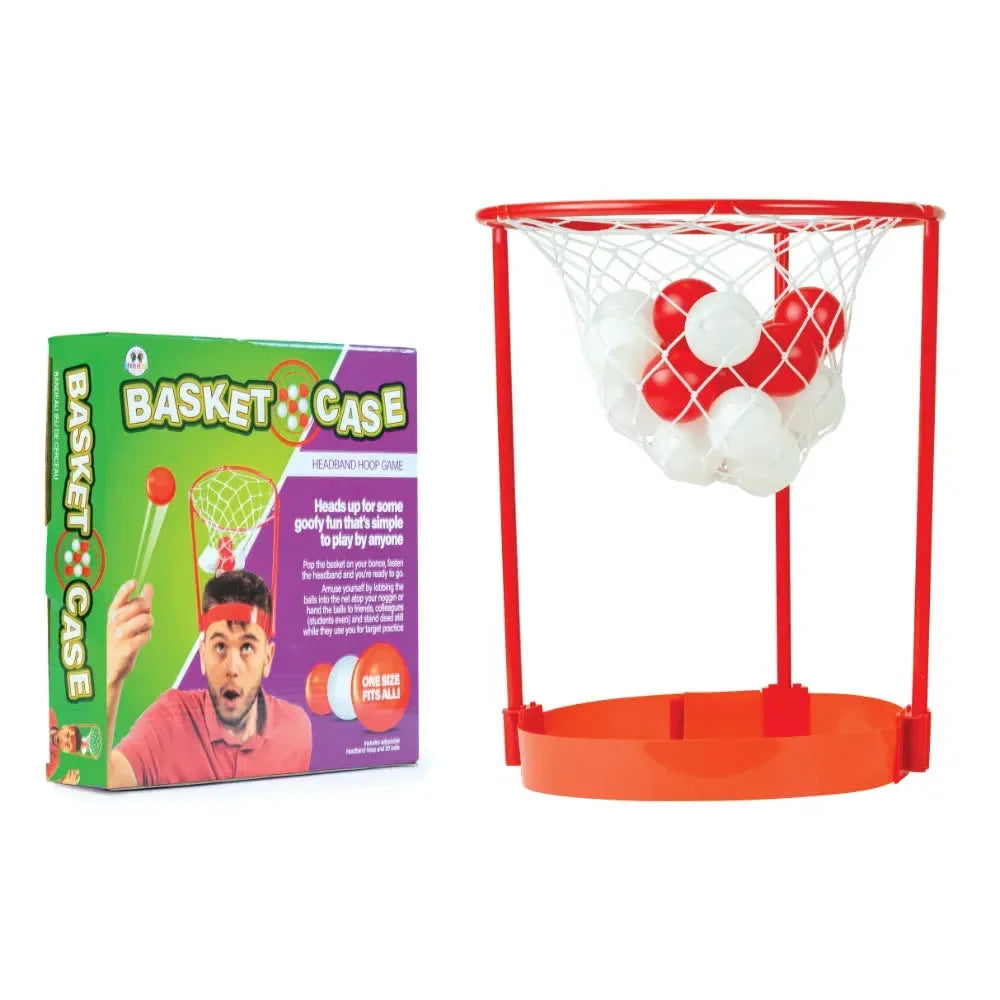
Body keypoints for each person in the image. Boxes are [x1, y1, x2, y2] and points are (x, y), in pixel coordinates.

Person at [106, 570, 312, 788]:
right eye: (220, 646)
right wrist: (111, 679)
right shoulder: (169, 721)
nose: (232, 668)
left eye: (247, 647)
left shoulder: (296, 729)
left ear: (267, 659)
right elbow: (107, 780)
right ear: (203, 655)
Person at [47, 708, 82, 785]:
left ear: (66, 751)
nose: (62, 741)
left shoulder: (53, 761)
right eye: (67, 735)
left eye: (67, 745)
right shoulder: (50, 714)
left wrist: (61, 782)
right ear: (65, 727)